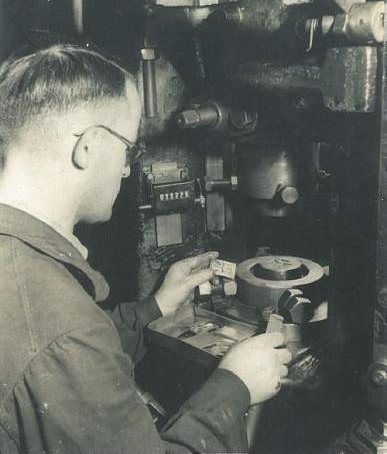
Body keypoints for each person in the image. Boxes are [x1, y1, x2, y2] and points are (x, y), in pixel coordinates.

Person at [0, 44, 291, 454]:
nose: (125, 168)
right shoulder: (59, 324)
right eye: (129, 148)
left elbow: (65, 357)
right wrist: (236, 386)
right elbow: (64, 344)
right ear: (89, 147)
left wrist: (155, 307)